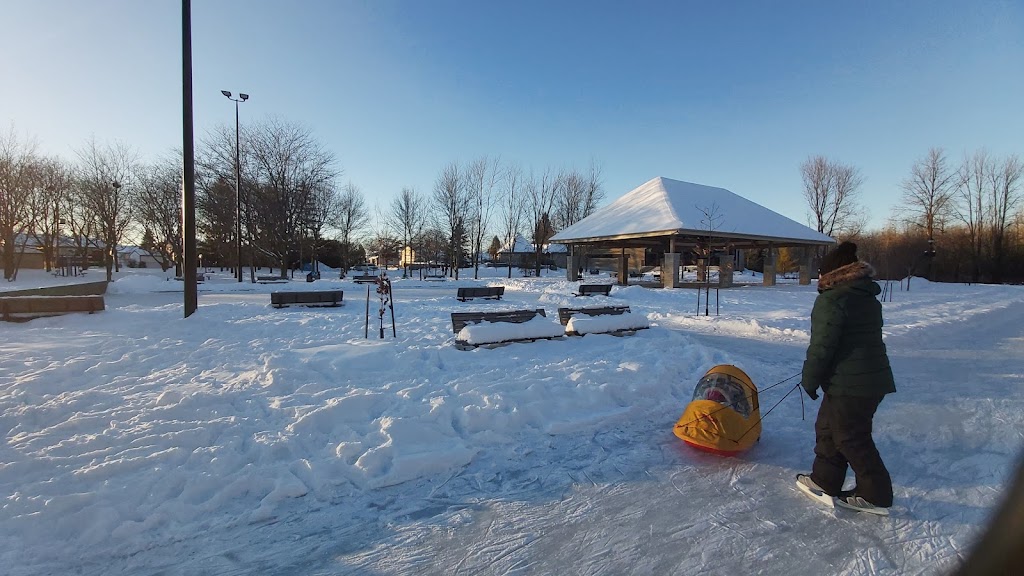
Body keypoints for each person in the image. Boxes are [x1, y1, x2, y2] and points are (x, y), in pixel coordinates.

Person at [797, 241, 896, 513]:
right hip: (860, 379)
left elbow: (822, 346)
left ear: (831, 274)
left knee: (851, 437)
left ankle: (876, 494)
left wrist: (810, 379)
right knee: (828, 427)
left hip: (854, 382)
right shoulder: (863, 295)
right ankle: (824, 480)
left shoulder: (832, 299)